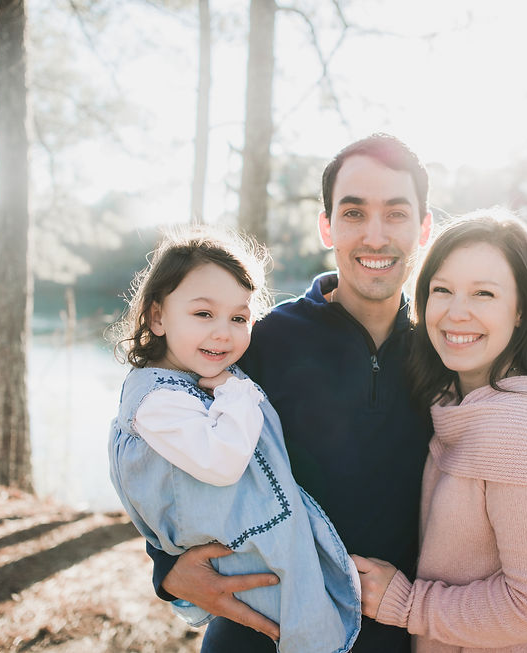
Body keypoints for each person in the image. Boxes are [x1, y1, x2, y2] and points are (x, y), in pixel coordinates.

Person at [148, 134, 435, 653]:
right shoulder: (264, 341)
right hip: (259, 633)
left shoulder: (446, 348)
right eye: (353, 213)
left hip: (391, 634)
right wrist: (166, 567)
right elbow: (155, 438)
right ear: (327, 226)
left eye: (396, 213)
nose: (375, 236)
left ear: (423, 228)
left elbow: (507, 443)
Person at [107, 229, 362, 653]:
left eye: (239, 318)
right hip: (245, 555)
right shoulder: (158, 399)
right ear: (157, 317)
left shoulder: (198, 377)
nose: (223, 333)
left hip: (266, 540)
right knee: (301, 624)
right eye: (203, 313)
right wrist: (236, 392)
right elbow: (222, 462)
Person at [352, 210, 527, 652]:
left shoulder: (517, 424)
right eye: (442, 290)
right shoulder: (453, 401)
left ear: (521, 310)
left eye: (484, 293)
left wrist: (406, 605)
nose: (456, 313)